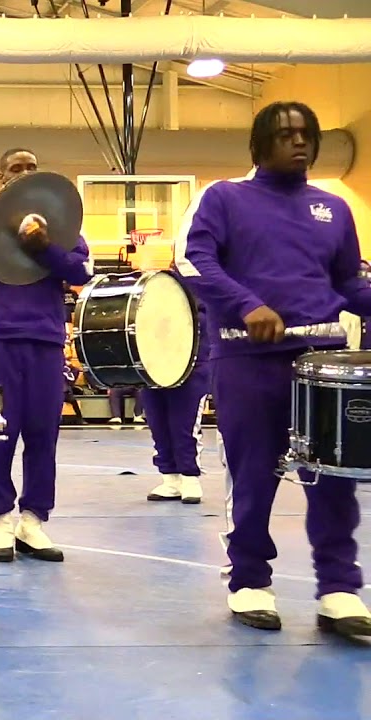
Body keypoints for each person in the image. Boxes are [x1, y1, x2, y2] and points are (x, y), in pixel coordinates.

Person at [175, 101, 371, 638]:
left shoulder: (333, 208)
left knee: (332, 479)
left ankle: (338, 589)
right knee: (255, 474)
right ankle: (250, 581)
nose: (299, 143)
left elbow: (348, 285)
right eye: (285, 135)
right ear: (260, 145)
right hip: (247, 360)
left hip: (321, 361)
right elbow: (194, 261)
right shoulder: (224, 198)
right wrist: (247, 305)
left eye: (306, 134)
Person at [0, 148, 91, 563]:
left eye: (31, 168)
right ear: (1, 177)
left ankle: (33, 520)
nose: (24, 173)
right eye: (15, 168)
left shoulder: (61, 223)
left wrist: (44, 245)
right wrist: (6, 229)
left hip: (45, 339)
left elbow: (81, 271)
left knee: (44, 433)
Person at [140, 280, 210, 504]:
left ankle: (190, 478)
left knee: (185, 426)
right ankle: (170, 478)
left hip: (191, 369)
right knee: (157, 423)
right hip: (155, 367)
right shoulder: (158, 293)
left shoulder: (203, 297)